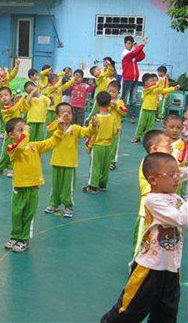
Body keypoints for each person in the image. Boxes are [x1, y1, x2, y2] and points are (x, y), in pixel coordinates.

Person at [101, 152, 186, 323]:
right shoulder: (153, 201)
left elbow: (184, 173)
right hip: (149, 270)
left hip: (171, 269)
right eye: (171, 175)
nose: (176, 178)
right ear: (153, 180)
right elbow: (181, 218)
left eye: (178, 174)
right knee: (128, 312)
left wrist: (179, 173)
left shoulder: (174, 196)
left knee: (166, 315)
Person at [4, 117, 63, 252]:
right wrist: (26, 132)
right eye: (20, 130)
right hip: (19, 187)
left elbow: (52, 142)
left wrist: (59, 130)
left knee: (28, 214)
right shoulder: (12, 148)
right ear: (11, 135)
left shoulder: (34, 147)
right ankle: (15, 236)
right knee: (17, 213)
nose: (25, 131)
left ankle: (23, 239)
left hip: (33, 187)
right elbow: (20, 145)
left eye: (25, 128)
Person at [44, 103, 97, 218]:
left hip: (70, 163)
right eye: (63, 112)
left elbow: (87, 132)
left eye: (69, 112)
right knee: (55, 185)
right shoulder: (55, 128)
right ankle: (53, 204)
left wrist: (93, 126)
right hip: (56, 161)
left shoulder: (76, 128)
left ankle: (68, 206)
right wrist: (59, 123)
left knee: (68, 186)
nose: (66, 114)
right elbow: (49, 128)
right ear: (58, 115)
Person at [132, 129, 172, 259]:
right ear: (154, 148)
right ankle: (135, 268)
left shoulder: (165, 164)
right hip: (148, 213)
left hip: (162, 211)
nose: (171, 149)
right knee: (142, 245)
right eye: (168, 146)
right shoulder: (149, 164)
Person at [83, 91, 118, 195]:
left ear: (97, 103)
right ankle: (103, 184)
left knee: (95, 165)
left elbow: (91, 134)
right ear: (108, 104)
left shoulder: (95, 118)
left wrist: (88, 146)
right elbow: (115, 131)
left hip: (97, 145)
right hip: (108, 145)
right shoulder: (112, 117)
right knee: (105, 165)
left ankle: (93, 186)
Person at [0, 86, 30, 178]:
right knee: (6, 152)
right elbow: (13, 109)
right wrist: (21, 100)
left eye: (6, 95)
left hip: (19, 134)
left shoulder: (16, 105)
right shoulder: (4, 109)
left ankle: (11, 169)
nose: (4, 97)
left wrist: (23, 101)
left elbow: (25, 108)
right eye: (1, 96)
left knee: (16, 151)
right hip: (9, 134)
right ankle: (0, 168)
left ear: (11, 95)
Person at [132, 73, 178, 144]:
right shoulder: (145, 89)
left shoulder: (156, 90)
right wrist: (157, 83)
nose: (154, 82)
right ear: (146, 83)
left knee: (150, 126)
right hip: (145, 110)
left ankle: (148, 138)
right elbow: (150, 89)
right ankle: (137, 137)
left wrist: (173, 88)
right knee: (141, 125)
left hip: (153, 110)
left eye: (154, 80)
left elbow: (163, 90)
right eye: (151, 80)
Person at [121, 36, 147, 123]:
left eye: (131, 44)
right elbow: (135, 53)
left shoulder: (133, 55)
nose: (130, 45)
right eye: (128, 43)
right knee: (124, 98)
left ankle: (132, 116)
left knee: (134, 99)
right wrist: (142, 44)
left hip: (135, 79)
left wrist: (137, 46)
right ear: (125, 44)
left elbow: (142, 56)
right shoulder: (125, 54)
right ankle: (121, 115)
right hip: (127, 79)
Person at [108, 80, 128, 170]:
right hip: (105, 128)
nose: (111, 93)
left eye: (113, 92)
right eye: (109, 91)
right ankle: (105, 160)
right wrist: (109, 106)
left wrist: (116, 106)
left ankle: (112, 161)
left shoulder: (120, 102)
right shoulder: (105, 101)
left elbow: (124, 113)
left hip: (116, 128)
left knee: (114, 146)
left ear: (118, 93)